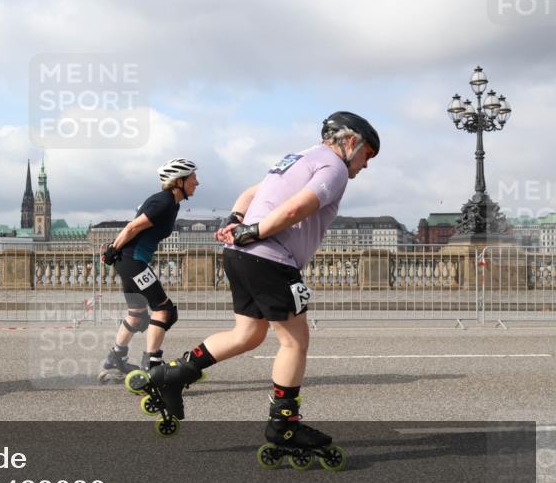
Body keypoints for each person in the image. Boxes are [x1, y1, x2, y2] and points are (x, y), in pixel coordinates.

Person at [132, 112, 378, 464]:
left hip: (240, 256)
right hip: (272, 259)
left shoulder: (297, 158)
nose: (366, 164)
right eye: (368, 154)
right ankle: (284, 426)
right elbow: (298, 207)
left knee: (247, 333)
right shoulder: (335, 168)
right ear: (351, 142)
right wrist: (257, 231)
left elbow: (253, 192)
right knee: (295, 341)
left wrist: (235, 220)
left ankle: (172, 375)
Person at [97, 158, 199, 382]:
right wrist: (113, 248)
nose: (197, 182)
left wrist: (116, 252)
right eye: (193, 178)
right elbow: (133, 226)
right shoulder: (163, 202)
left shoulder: (172, 203)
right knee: (164, 310)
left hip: (130, 261)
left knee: (137, 314)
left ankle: (115, 359)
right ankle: (152, 364)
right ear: (179, 181)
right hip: (133, 261)